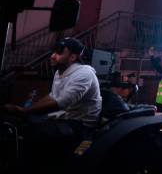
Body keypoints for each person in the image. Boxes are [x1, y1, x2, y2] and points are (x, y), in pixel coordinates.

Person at [1, 37, 102, 167]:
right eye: (53, 52)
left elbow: (61, 102)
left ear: (72, 57)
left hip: (80, 125)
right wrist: (26, 111)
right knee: (22, 124)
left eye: (59, 52)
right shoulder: (60, 71)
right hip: (64, 117)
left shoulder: (84, 74)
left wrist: (25, 110)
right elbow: (52, 96)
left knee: (35, 135)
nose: (53, 56)